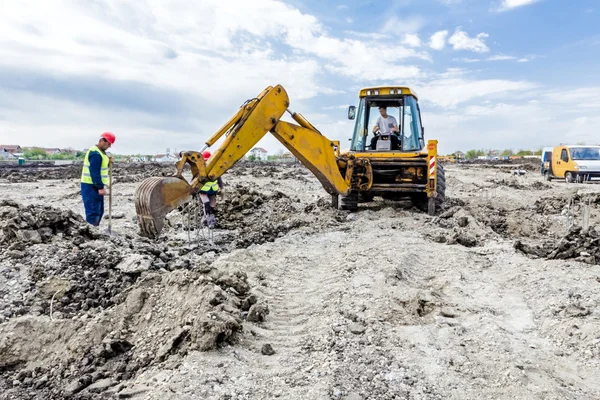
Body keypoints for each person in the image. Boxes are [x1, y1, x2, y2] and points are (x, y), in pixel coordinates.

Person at [81, 132, 115, 226]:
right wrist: (100, 187)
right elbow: (94, 172)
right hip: (91, 186)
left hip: (94, 185)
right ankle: (91, 233)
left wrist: (109, 162)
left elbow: (101, 166)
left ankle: (95, 230)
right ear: (102, 141)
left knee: (99, 210)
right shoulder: (95, 154)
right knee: (93, 211)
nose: (109, 146)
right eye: (108, 144)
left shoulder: (101, 153)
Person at [199, 150, 224, 228]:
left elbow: (219, 179)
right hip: (203, 191)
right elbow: (194, 180)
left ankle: (205, 219)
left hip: (212, 191)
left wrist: (221, 187)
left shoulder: (215, 170)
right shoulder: (200, 170)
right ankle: (211, 222)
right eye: (205, 161)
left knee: (212, 206)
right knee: (206, 203)